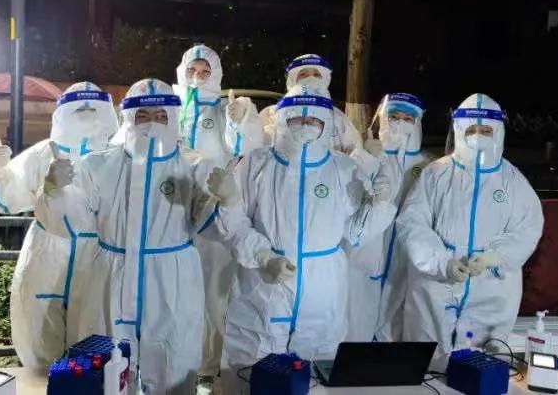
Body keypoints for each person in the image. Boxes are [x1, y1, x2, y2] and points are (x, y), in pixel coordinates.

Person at [206, 86, 396, 394]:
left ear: (326, 124)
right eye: (297, 119)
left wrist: (380, 207)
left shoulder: (343, 168)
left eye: (314, 120)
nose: (306, 125)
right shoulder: (256, 163)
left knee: (314, 374)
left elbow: (356, 233)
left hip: (322, 290)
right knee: (250, 370)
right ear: (283, 120)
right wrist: (264, 255)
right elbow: (234, 225)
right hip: (262, 287)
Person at [34, 78, 214, 394]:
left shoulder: (194, 167)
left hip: (171, 280)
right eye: (142, 116)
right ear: (128, 119)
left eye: (161, 116)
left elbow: (213, 227)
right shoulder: (98, 165)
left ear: (173, 118)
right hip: (109, 278)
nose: (151, 124)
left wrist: (223, 201)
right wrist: (54, 191)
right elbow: (71, 222)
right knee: (105, 366)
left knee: (172, 362)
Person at [0, 82, 118, 371]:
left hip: (96, 252)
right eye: (79, 108)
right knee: (38, 325)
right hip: (48, 250)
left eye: (93, 109)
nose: (86, 113)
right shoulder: (44, 153)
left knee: (92, 336)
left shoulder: (115, 156)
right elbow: (9, 196)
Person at [397, 93, 544, 370]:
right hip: (435, 287)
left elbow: (528, 229)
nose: (478, 136)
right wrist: (442, 263)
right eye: (471, 130)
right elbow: (412, 224)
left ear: (498, 131)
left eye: (486, 130)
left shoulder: (513, 182)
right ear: (459, 130)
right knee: (425, 366)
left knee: (480, 369)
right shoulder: (435, 174)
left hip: (491, 290)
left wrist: (495, 257)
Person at [170, 44, 264, 380]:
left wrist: (241, 122)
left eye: (205, 72)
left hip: (214, 215)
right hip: (171, 215)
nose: (197, 77)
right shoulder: (169, 108)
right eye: (192, 70)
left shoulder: (225, 110)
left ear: (216, 75)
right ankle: (175, 365)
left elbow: (245, 149)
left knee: (215, 294)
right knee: (174, 293)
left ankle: (209, 369)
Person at [345, 93, 435, 343]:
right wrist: (365, 159)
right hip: (364, 257)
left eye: (408, 118)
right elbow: (347, 198)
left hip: (402, 258)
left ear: (417, 124)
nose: (400, 123)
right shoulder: (366, 154)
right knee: (355, 325)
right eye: (393, 116)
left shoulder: (427, 166)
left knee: (395, 326)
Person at [259, 54, 363, 154]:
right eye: (303, 75)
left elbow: (355, 152)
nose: (310, 78)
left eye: (316, 75)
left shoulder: (338, 117)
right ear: (292, 80)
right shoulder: (270, 113)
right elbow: (257, 150)